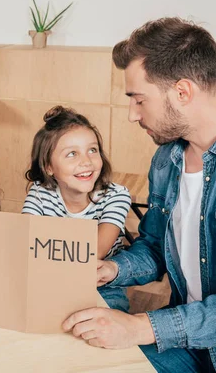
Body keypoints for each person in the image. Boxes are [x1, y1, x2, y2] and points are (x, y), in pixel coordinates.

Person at [63, 17, 216, 372]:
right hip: (187, 344)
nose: (132, 114)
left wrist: (140, 326)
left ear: (182, 92)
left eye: (139, 100)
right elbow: (156, 246)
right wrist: (112, 270)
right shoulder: (167, 159)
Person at [22, 105, 131, 311]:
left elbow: (95, 251)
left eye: (92, 150)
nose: (86, 161)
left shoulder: (116, 196)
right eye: (72, 154)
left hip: (102, 286)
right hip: (50, 280)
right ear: (48, 167)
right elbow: (26, 241)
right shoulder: (40, 193)